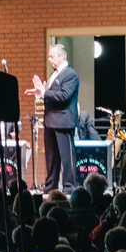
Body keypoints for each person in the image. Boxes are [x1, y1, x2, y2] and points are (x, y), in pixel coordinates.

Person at [31, 43, 81, 193]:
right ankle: (51, 186)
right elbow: (51, 95)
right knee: (51, 157)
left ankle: (69, 186)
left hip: (63, 121)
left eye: (52, 56)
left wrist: (44, 92)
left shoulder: (70, 74)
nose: (49, 59)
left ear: (61, 56)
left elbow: (64, 96)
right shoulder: (54, 74)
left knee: (66, 157)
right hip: (50, 121)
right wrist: (41, 93)